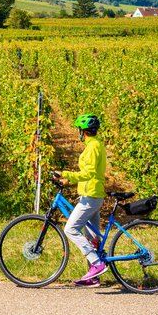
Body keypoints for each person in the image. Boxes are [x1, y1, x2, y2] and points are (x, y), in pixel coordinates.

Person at [51, 113, 107, 287]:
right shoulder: (96, 144)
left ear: (83, 131)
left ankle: (97, 264)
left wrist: (66, 174)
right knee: (91, 239)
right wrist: (69, 180)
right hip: (93, 194)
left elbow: (88, 173)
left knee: (71, 229)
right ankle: (93, 277)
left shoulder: (92, 147)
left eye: (79, 130)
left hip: (90, 196)